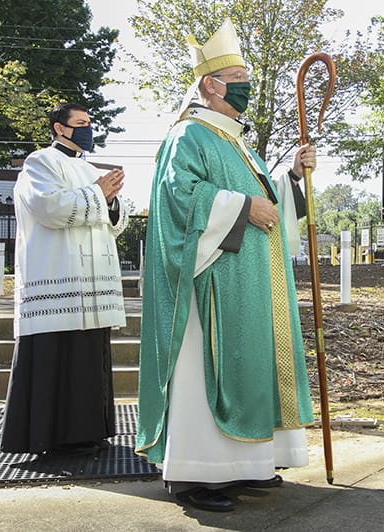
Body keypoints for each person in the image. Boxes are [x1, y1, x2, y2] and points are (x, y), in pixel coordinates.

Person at [135, 20, 316, 513]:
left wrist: (292, 178)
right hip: (208, 281)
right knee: (205, 367)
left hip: (251, 279)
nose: (246, 83)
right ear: (210, 84)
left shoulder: (236, 140)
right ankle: (195, 475)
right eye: (237, 74)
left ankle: (245, 466)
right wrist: (241, 208)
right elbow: (179, 199)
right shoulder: (188, 135)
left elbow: (267, 202)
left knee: (248, 363)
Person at [0, 102, 129, 456]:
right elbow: (49, 208)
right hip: (57, 277)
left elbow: (114, 222)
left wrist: (113, 202)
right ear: (60, 128)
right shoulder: (39, 162)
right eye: (81, 123)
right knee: (56, 355)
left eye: (90, 122)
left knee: (88, 357)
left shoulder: (89, 169)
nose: (88, 128)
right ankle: (50, 437)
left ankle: (89, 433)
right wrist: (98, 195)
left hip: (91, 282)